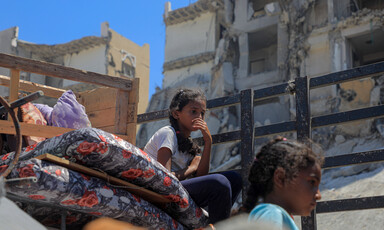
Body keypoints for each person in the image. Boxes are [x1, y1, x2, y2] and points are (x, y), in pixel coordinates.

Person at [144, 88, 242, 224]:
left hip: (178, 189)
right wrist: (191, 168)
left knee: (234, 178)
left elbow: (201, 178)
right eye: (193, 111)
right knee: (220, 182)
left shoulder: (189, 144)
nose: (199, 117)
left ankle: (214, 223)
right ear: (176, 114)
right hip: (161, 193)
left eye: (202, 113)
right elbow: (164, 180)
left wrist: (208, 142)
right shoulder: (168, 133)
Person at [243, 137, 323, 230]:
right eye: (312, 182)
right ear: (280, 178)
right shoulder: (271, 213)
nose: (318, 195)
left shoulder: (277, 215)